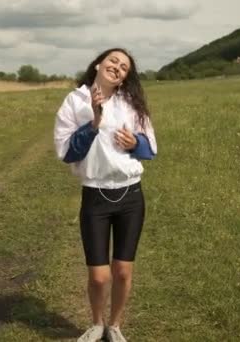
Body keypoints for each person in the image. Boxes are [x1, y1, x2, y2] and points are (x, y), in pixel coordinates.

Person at [53, 48, 157, 342]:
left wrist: (135, 141)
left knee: (123, 271)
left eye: (124, 67)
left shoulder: (132, 104)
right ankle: (97, 323)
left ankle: (115, 326)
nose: (117, 67)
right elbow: (67, 152)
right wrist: (95, 122)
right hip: (95, 196)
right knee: (99, 276)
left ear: (125, 78)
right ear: (98, 64)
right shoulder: (74, 101)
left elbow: (150, 149)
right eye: (113, 60)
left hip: (131, 196)